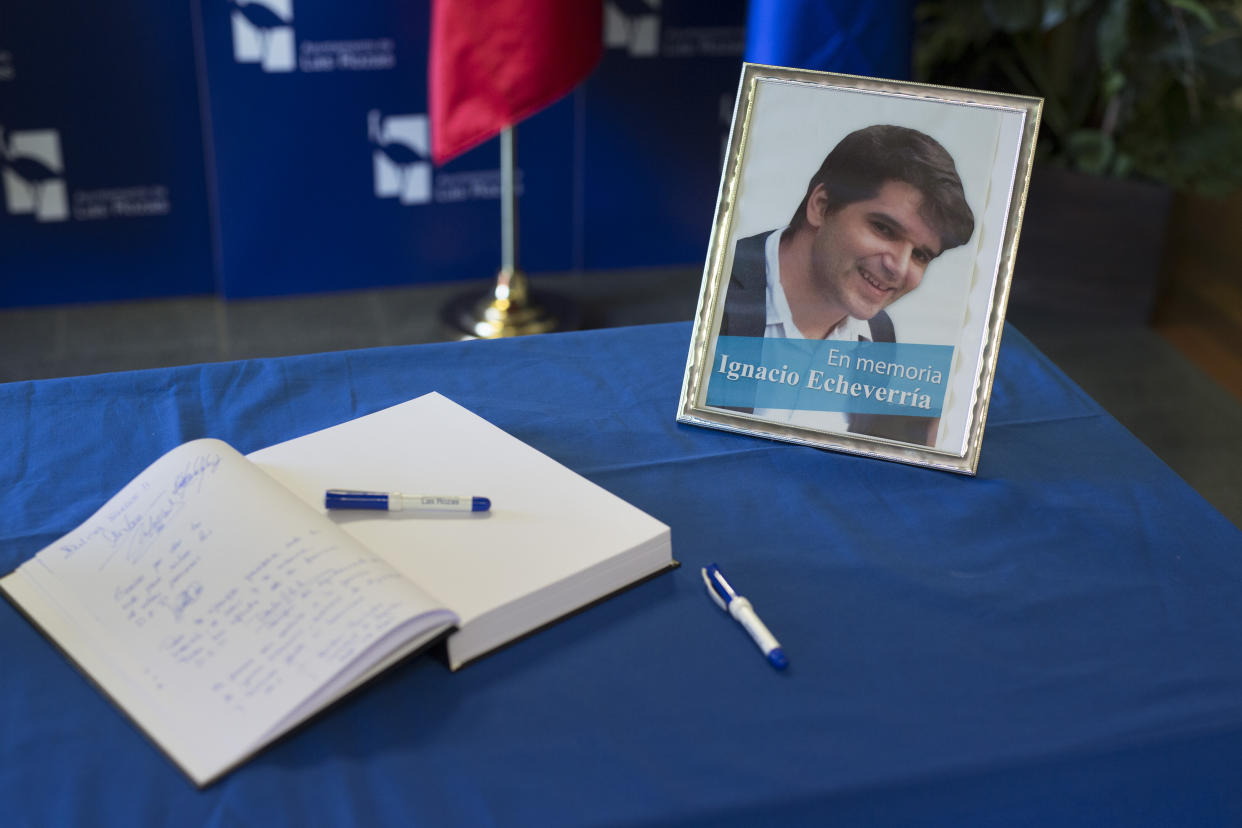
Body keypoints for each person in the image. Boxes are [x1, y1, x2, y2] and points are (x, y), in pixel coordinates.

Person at [718, 123, 975, 445]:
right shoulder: (712, 288)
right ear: (821, 206)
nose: (898, 268)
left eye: (921, 255)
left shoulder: (880, 335)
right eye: (884, 229)